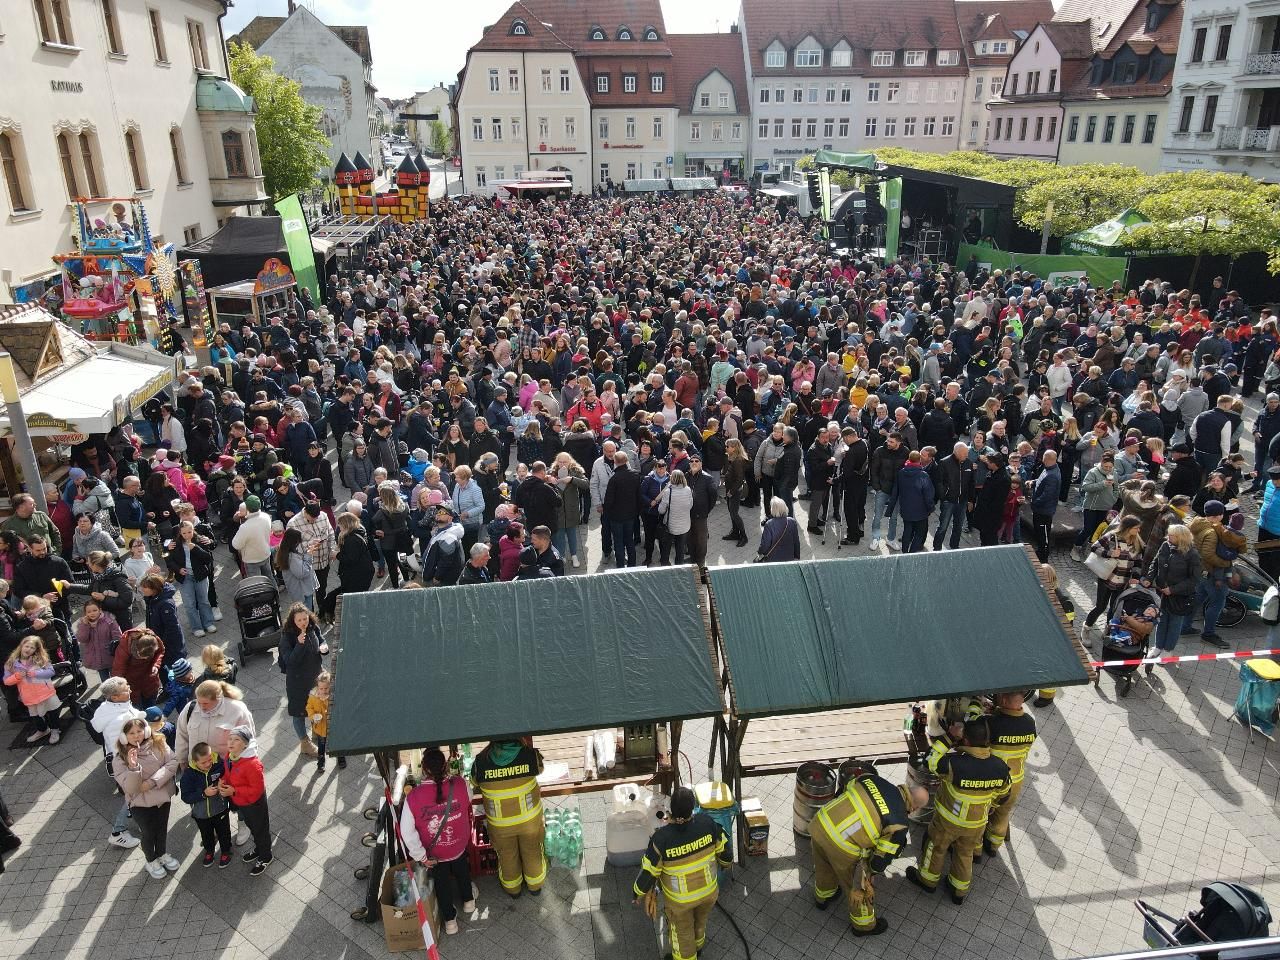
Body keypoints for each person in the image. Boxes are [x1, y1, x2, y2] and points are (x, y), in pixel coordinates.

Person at [905, 718, 1010, 905]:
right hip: (977, 824)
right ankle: (958, 891)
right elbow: (1004, 794)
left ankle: (928, 880)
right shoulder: (1000, 767)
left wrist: (949, 737)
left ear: (966, 740)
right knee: (965, 853)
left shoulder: (954, 764)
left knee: (935, 846)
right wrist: (990, 807)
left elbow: (930, 761)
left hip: (947, 821)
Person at [810, 772, 928, 936]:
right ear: (914, 807)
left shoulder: (872, 779)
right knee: (860, 888)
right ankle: (863, 926)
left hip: (820, 823)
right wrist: (869, 874)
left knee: (824, 865)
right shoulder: (898, 824)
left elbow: (843, 789)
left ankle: (823, 897)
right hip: (841, 846)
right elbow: (879, 862)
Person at [632, 786, 732, 960]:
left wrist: (637, 893)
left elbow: (649, 872)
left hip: (681, 902)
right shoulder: (707, 823)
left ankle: (685, 957)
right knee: (700, 923)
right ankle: (698, 948)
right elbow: (725, 850)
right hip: (708, 893)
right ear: (693, 807)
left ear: (671, 809)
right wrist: (725, 863)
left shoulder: (661, 839)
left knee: (682, 934)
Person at [402, 748, 475, 936]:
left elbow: (407, 833)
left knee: (441, 883)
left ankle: (450, 922)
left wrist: (421, 856)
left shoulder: (414, 797)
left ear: (424, 769)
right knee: (462, 870)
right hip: (459, 844)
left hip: (434, 854)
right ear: (445, 766)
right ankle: (469, 901)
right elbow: (469, 798)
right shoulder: (459, 783)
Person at [470, 738, 546, 897]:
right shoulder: (530, 755)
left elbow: (473, 781)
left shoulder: (480, 761)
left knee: (507, 855)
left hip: (500, 825)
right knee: (532, 851)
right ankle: (535, 886)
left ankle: (513, 890)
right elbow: (541, 769)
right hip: (529, 821)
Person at [114, 716, 180, 879]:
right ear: (124, 737)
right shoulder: (120, 759)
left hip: (163, 797)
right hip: (140, 804)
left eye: (139, 731)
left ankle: (162, 854)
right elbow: (130, 788)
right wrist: (133, 767)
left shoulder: (158, 742)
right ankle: (151, 860)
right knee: (149, 833)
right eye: (131, 733)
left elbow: (173, 762)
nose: (136, 735)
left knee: (162, 829)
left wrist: (151, 782)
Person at [90, 676, 144, 849]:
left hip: (128, 760)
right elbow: (126, 744)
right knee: (132, 796)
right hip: (128, 762)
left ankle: (140, 821)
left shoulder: (110, 709)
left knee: (135, 795)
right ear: (114, 697)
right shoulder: (118, 719)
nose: (129, 688)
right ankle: (118, 832)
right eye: (125, 688)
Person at [981, 692, 1036, 857]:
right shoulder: (1029, 722)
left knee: (982, 812)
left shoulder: (991, 723)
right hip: (1015, 780)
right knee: (1003, 813)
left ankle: (976, 850)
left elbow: (979, 741)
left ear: (1003, 700)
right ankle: (993, 845)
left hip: (991, 781)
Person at [219, 725, 272, 875]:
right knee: (252, 826)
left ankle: (266, 856)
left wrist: (234, 790)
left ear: (246, 744)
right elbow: (228, 773)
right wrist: (223, 781)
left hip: (254, 804)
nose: (231, 742)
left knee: (260, 829)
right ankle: (260, 849)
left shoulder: (252, 764)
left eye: (236, 740)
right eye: (230, 738)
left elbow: (257, 790)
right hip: (242, 802)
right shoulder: (231, 756)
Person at [1149, 523, 1202, 665]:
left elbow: (1194, 579)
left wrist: (1173, 589)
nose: (1168, 537)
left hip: (1180, 596)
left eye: (1172, 535)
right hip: (1162, 593)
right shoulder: (1165, 546)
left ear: (1181, 538)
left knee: (1174, 623)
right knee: (1161, 621)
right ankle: (1158, 646)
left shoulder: (1192, 554)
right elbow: (1155, 563)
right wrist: (1149, 578)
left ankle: (1168, 650)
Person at [1083, 516, 1144, 638]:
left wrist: (1136, 577)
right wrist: (1109, 553)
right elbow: (1094, 547)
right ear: (1128, 528)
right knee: (1100, 607)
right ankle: (1087, 627)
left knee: (1114, 609)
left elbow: (1138, 562)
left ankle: (1109, 631)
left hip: (1123, 582)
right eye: (1136, 528)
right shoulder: (1112, 536)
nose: (1139, 531)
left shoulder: (1137, 542)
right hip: (1107, 578)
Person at [279, 603, 325, 757]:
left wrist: (324, 647)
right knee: (299, 714)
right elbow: (289, 661)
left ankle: (316, 734)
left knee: (316, 707)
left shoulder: (313, 628)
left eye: (305, 619)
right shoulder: (287, 637)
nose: (303, 622)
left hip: (314, 678)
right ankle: (304, 743)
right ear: (293, 621)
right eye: (299, 620)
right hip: (297, 683)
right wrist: (299, 644)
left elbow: (321, 639)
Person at [179, 741, 233, 868]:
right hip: (201, 814)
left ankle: (226, 851)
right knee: (206, 834)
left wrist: (222, 783)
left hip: (220, 809)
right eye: (203, 762)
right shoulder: (188, 775)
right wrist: (203, 794)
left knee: (224, 832)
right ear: (195, 761)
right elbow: (186, 797)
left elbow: (227, 776)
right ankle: (209, 851)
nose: (208, 764)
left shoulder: (218, 765)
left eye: (209, 759)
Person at [4, 636, 62, 744]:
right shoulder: (11, 663)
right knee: (35, 715)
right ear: (21, 646)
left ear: (36, 649)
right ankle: (43, 730)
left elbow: (51, 672)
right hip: (28, 695)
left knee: (52, 711)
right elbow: (6, 681)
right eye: (26, 646)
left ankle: (55, 730)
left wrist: (37, 673)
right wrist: (17, 676)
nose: (28, 649)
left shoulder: (41, 659)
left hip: (45, 692)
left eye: (32, 647)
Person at [166, 521, 217, 637]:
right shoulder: (175, 543)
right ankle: (196, 627)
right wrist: (178, 569)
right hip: (185, 577)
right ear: (180, 533)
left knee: (203, 600)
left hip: (200, 575)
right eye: (184, 533)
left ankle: (208, 623)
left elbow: (208, 559)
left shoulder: (200, 540)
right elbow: (169, 560)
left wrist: (195, 548)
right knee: (189, 604)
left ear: (193, 530)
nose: (187, 535)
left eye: (189, 532)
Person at [603, 451, 641, 567]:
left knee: (618, 542)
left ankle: (620, 566)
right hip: (630, 516)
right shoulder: (635, 476)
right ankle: (632, 564)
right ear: (627, 461)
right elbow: (638, 496)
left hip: (616, 517)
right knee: (629, 540)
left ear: (615, 462)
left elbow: (608, 501)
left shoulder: (614, 479)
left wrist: (607, 513)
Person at [896, 450, 936, 554]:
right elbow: (928, 495)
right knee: (919, 532)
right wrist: (931, 508)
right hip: (920, 510)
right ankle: (912, 552)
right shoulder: (923, 475)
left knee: (907, 530)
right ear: (919, 461)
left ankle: (904, 552)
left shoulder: (901, 472)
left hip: (906, 508)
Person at [306, 669, 344, 771]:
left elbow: (339, 708)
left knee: (337, 742)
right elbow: (309, 708)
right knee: (321, 745)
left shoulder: (333, 696)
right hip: (321, 727)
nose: (323, 691)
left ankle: (340, 757)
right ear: (317, 687)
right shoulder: (313, 697)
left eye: (326, 688)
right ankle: (321, 762)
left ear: (330, 687)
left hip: (333, 725)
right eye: (321, 688)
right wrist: (313, 716)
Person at [75, 597, 122, 681]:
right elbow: (82, 639)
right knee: (105, 680)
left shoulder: (109, 621)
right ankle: (108, 693)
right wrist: (85, 626)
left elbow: (118, 636)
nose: (92, 613)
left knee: (116, 679)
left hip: (110, 655)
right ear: (85, 613)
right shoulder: (83, 623)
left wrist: (113, 646)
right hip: (96, 657)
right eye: (89, 612)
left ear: (100, 610)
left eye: (94, 610)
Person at [1029, 450, 1061, 563]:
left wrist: (1033, 502)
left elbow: (1047, 495)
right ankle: (1040, 550)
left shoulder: (1052, 475)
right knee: (1039, 532)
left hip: (1044, 511)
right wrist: (1033, 482)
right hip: (1041, 509)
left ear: (1046, 458)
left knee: (1043, 534)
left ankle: (1043, 557)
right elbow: (1042, 480)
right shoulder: (1049, 469)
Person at [275, 527, 319, 610]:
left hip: (297, 591)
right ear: (294, 542)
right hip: (303, 592)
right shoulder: (292, 558)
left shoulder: (284, 552)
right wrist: (309, 555)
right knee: (307, 613)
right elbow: (302, 573)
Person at [231, 495, 273, 579]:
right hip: (265, 554)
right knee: (270, 578)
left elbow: (236, 545)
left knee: (257, 584)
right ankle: (275, 592)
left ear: (248, 509)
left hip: (251, 560)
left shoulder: (245, 526)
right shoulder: (266, 517)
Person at [657, 469, 693, 565]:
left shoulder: (668, 492)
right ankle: (679, 567)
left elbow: (661, 510)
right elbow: (690, 506)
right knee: (680, 549)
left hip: (670, 527)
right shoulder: (688, 490)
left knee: (666, 549)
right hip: (684, 526)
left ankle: (665, 565)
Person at [722, 438, 749, 548]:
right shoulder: (731, 458)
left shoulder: (738, 460)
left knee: (734, 513)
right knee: (731, 512)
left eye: (728, 446)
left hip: (734, 491)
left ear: (734, 448)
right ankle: (735, 533)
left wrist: (731, 492)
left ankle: (743, 536)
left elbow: (739, 479)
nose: (726, 448)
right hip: (730, 490)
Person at [757, 497, 801, 562]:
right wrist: (797, 557)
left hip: (773, 560)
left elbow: (765, 544)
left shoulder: (769, 524)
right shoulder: (792, 521)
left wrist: (759, 552)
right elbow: (796, 541)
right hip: (789, 558)